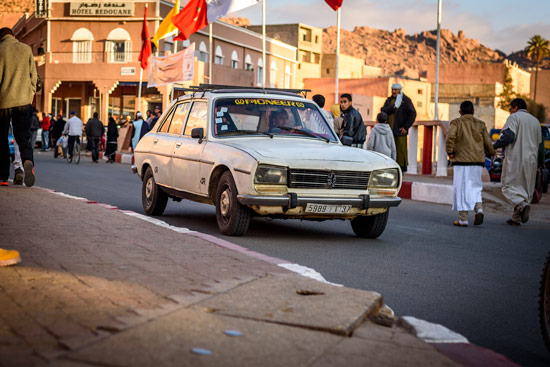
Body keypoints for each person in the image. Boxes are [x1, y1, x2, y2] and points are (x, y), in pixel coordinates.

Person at [493, 98, 542, 226]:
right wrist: (540, 163)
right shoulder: (535, 121)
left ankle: (521, 205)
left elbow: (509, 136)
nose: (510, 110)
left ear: (515, 107)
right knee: (524, 189)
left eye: (510, 108)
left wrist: (493, 146)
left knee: (507, 186)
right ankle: (516, 218)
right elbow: (540, 146)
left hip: (517, 158)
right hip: (532, 161)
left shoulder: (514, 117)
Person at [445, 101, 494, 227]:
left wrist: (450, 152)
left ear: (460, 112)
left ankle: (463, 219)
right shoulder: (481, 124)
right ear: (473, 112)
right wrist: (491, 152)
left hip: (461, 161)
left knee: (461, 188)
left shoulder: (456, 122)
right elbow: (488, 142)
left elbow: (450, 137)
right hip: (478, 161)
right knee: (475, 187)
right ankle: (479, 209)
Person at [0, 27, 37, 188]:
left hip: (3, 102)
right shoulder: (26, 49)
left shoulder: (0, 50)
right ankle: (28, 161)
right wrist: (31, 95)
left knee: (1, 139)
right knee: (23, 138)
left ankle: (2, 177)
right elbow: (33, 77)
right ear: (14, 36)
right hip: (23, 102)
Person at [381, 83, 417, 172]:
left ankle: (401, 171)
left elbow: (412, 114)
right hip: (389, 131)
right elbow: (383, 110)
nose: (393, 91)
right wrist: (393, 107)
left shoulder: (405, 100)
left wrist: (405, 127)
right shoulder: (389, 100)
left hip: (400, 131)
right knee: (389, 150)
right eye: (392, 89)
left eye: (395, 90)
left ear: (400, 90)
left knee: (400, 152)